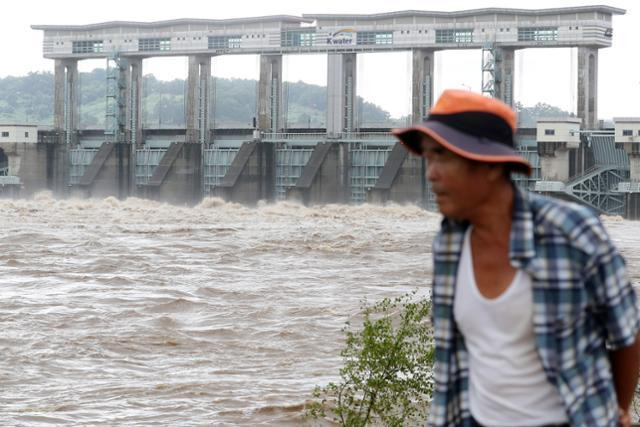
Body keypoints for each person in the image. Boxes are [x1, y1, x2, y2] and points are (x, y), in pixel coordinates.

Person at [392, 89, 640, 427]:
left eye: (443, 156)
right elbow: (454, 360)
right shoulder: (449, 244)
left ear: (490, 166)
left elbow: (627, 333)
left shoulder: (572, 233)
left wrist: (615, 410)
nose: (430, 173)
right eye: (428, 157)